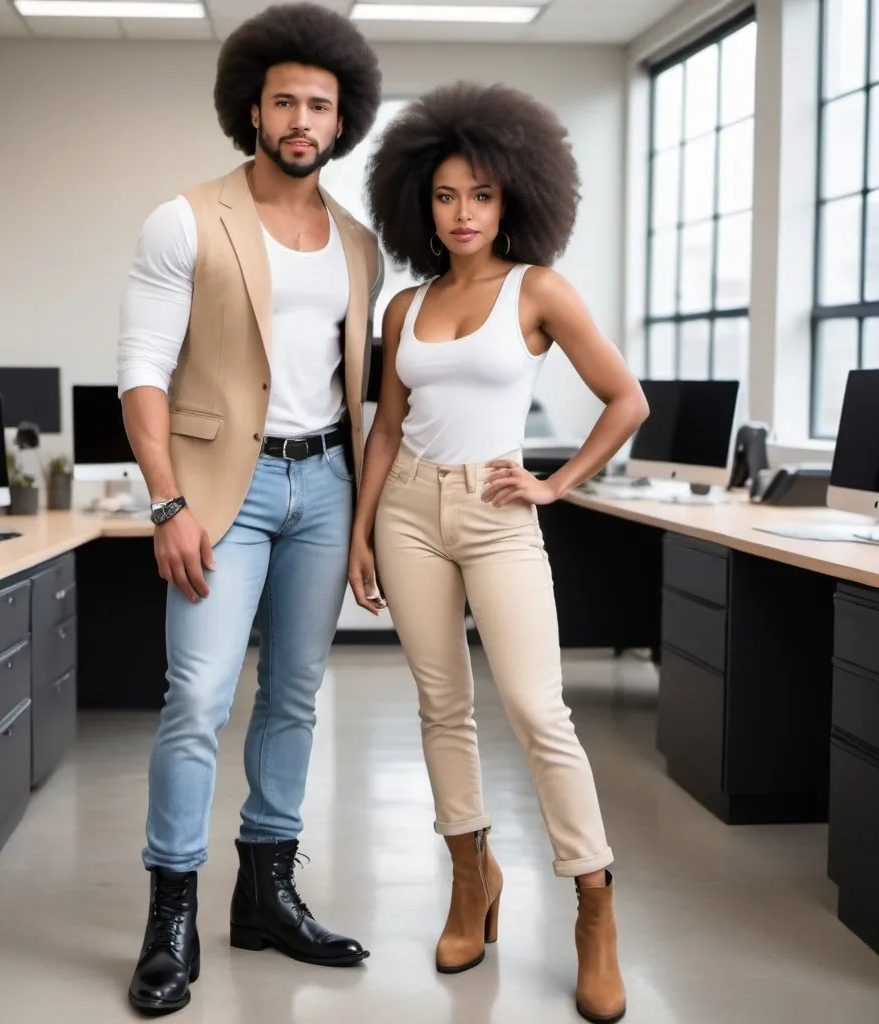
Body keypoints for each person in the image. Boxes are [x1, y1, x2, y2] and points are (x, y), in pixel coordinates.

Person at [349, 83, 649, 1024]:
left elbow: (624, 399)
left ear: (512, 195)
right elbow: (387, 430)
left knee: (535, 707)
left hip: (495, 508)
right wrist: (360, 532)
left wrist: (557, 487)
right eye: (444, 196)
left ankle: (592, 907)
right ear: (418, 204)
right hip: (406, 514)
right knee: (443, 706)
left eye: (480, 194)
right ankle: (470, 881)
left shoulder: (538, 290)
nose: (464, 213)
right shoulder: (403, 308)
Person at [116, 4, 383, 1015]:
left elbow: (362, 390)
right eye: (285, 100)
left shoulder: (359, 244)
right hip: (220, 490)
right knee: (197, 699)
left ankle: (266, 892)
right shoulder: (185, 217)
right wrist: (167, 501)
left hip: (324, 487)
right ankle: (168, 916)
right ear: (253, 109)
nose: (302, 117)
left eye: (320, 102)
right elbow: (140, 367)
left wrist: (362, 519)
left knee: (297, 697)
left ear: (341, 116)